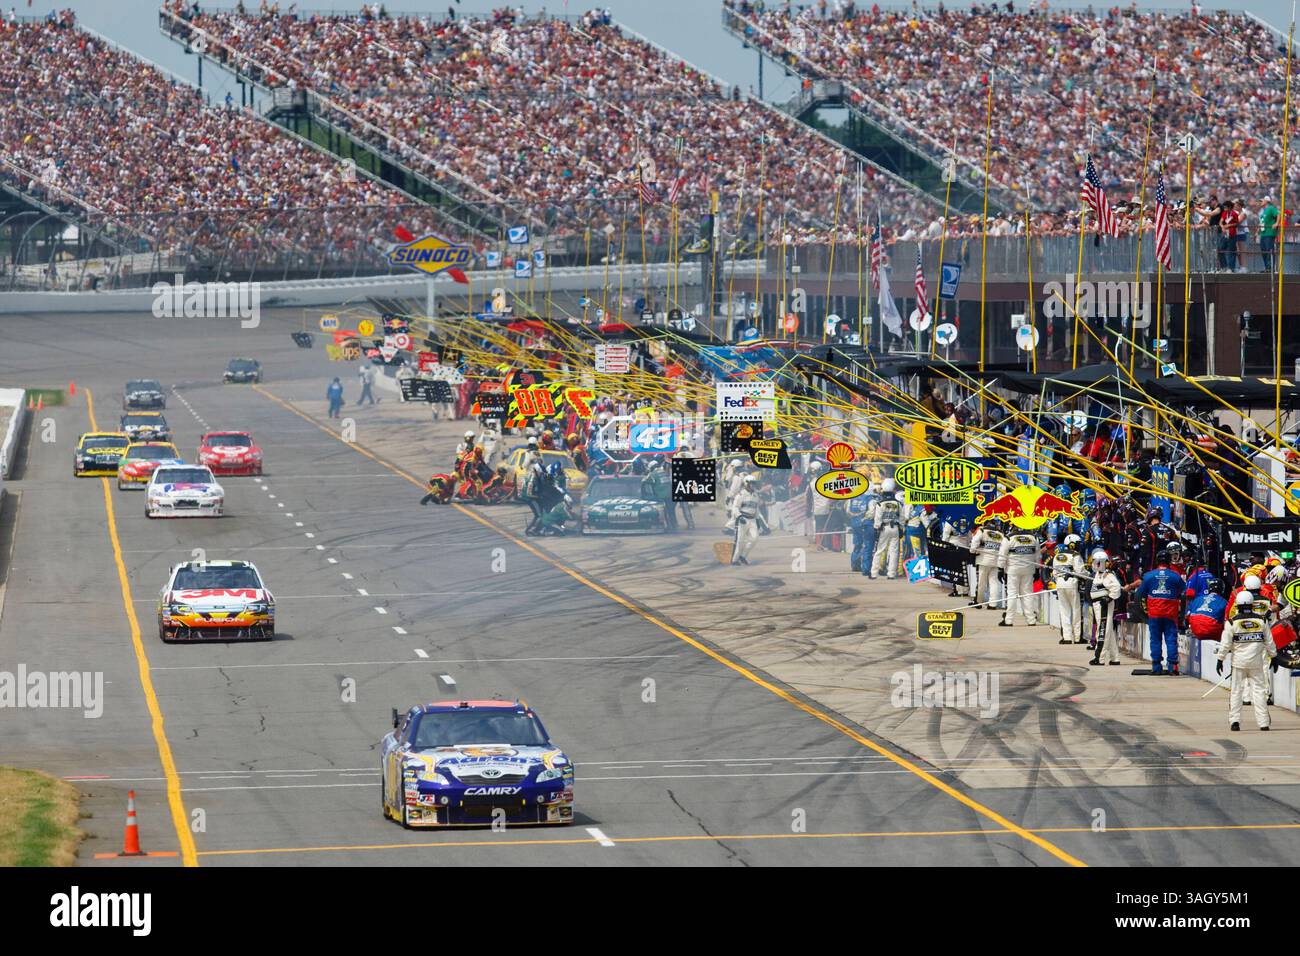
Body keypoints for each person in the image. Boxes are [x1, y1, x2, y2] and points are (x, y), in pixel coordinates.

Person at [1215, 591, 1278, 731]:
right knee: (1259, 692)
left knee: (1236, 692)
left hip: (1238, 663)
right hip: (1256, 663)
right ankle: (1263, 723)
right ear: (1252, 604)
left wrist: (1220, 659)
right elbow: (1269, 641)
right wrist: (1274, 656)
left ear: (1237, 605)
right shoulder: (1262, 621)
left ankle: (1235, 722)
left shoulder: (1232, 622)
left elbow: (1225, 644)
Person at [1135, 550, 1187, 675]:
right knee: (1171, 639)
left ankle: (1156, 667)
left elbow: (1139, 595)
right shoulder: (1175, 576)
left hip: (1154, 614)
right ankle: (1173, 668)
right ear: (1169, 561)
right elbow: (1184, 593)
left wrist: (1144, 614)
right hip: (1170, 614)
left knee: (1155, 640)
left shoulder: (1148, 576)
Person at [998, 527, 1040, 627]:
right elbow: (1037, 555)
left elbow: (1002, 555)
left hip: (1013, 570)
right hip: (1028, 570)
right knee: (1027, 594)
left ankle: (1008, 620)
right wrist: (1037, 569)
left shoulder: (1009, 538)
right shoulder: (1034, 538)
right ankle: (1031, 620)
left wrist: (1000, 569)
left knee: (1012, 594)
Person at [1051, 533, 1088, 645]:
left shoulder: (1057, 556)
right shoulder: (1075, 555)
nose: (1079, 545)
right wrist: (1088, 575)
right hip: (1072, 583)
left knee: (1064, 611)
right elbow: (1080, 571)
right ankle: (1077, 637)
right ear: (1072, 544)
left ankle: (1067, 637)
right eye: (1077, 544)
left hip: (1060, 584)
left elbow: (1054, 572)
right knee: (1076, 611)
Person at [1088, 549, 1123, 665]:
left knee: (1102, 630)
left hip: (1104, 605)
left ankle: (1099, 658)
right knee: (1109, 631)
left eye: (1095, 561)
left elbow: (1117, 587)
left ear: (1100, 562)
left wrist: (1109, 598)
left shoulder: (1108, 575)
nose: (1093, 563)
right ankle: (1115, 658)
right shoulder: (1099, 574)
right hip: (1097, 605)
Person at [869, 479, 903, 579]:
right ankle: (891, 574)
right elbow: (902, 518)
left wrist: (876, 529)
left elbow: (877, 519)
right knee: (894, 552)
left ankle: (874, 573)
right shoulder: (898, 503)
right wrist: (901, 528)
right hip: (895, 528)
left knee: (879, 550)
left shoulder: (880, 504)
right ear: (893, 490)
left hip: (883, 528)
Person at [969, 519, 1005, 609]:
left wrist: (972, 551)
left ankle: (978, 602)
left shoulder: (982, 530)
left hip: (983, 560)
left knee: (981, 582)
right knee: (994, 583)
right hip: (996, 561)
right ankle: (993, 604)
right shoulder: (1001, 534)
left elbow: (974, 542)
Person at [732, 474, 762, 565]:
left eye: (754, 483)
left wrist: (757, 520)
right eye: (751, 483)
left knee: (754, 538)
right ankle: (735, 560)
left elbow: (756, 509)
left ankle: (743, 556)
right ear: (746, 484)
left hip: (752, 519)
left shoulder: (756, 495)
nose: (753, 485)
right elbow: (735, 507)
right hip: (743, 519)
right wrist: (739, 516)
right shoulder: (741, 495)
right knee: (740, 541)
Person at [1259, 196, 1280, 273]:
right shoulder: (1263, 211)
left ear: (1267, 201)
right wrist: (1257, 231)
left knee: (1269, 250)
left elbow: (1278, 214)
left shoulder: (1271, 208)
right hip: (1263, 233)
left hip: (1269, 232)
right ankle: (1267, 268)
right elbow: (1262, 222)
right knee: (1263, 250)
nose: (1260, 202)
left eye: (1262, 200)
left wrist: (1276, 223)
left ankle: (1270, 268)